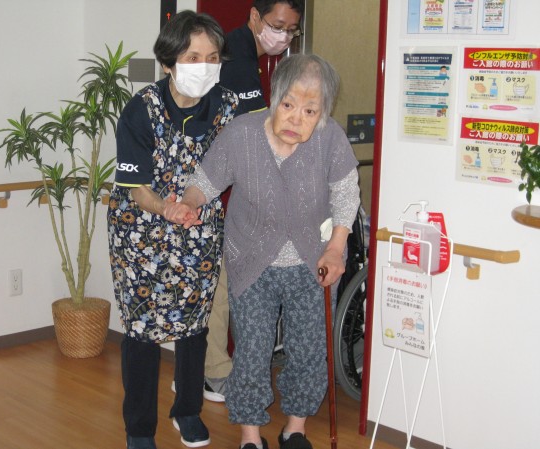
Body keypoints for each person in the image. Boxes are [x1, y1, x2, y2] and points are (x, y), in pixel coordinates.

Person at [166, 54, 360, 449]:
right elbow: (206, 180)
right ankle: (250, 435)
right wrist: (189, 202)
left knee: (309, 350)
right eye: (288, 105)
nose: (296, 119)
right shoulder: (242, 134)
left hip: (314, 261)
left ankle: (295, 428)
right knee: (252, 351)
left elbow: (345, 195)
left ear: (322, 112)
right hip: (251, 261)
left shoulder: (331, 139)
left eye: (310, 111)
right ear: (274, 99)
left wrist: (336, 249)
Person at [107, 10, 238, 449]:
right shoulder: (141, 109)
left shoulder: (227, 106)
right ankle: (139, 428)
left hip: (199, 230)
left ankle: (187, 410)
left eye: (212, 57)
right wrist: (167, 208)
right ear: (168, 62)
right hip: (141, 232)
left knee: (195, 325)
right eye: (193, 57)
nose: (205, 66)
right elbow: (137, 188)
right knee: (142, 330)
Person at [203, 0, 304, 404]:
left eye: (291, 30)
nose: (283, 36)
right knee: (219, 285)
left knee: (224, 282)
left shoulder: (256, 59)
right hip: (210, 189)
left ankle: (206, 371)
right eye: (277, 25)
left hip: (229, 188)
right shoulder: (237, 58)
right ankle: (212, 373)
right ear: (254, 16)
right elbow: (265, 136)